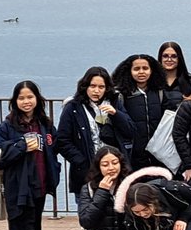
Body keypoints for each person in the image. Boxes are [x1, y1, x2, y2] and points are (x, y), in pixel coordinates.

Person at [0, 81, 59, 230]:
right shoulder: (7, 126)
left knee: (34, 227)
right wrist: (21, 146)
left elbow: (54, 145)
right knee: (20, 228)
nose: (26, 102)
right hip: (17, 186)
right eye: (21, 98)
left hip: (40, 184)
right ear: (15, 101)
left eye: (30, 97)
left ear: (37, 99)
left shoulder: (44, 123)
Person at [56, 65, 135, 197]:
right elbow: (62, 141)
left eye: (101, 87)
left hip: (114, 170)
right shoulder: (73, 107)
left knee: (116, 210)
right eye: (92, 86)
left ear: (107, 88)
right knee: (88, 211)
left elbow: (131, 131)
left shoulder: (115, 103)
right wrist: (82, 162)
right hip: (86, 172)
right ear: (85, 86)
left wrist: (116, 115)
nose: (96, 91)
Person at [111, 53, 165, 168]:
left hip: (156, 153)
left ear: (152, 70)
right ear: (129, 71)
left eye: (145, 68)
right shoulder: (122, 94)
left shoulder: (158, 92)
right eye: (136, 69)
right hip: (132, 153)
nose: (141, 72)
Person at [155, 41, 191, 109]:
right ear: (160, 58)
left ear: (179, 58)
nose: (169, 59)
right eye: (165, 56)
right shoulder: (152, 82)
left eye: (174, 56)